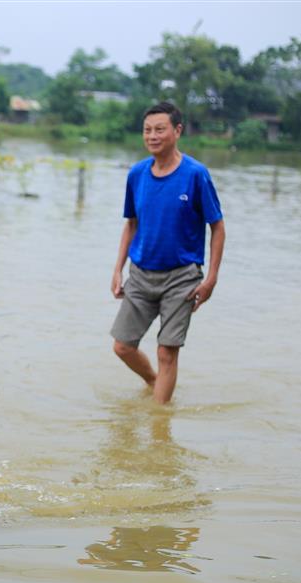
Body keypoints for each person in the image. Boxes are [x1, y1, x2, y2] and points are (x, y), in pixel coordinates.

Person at [110, 101, 226, 403]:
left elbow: (218, 227)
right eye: (147, 130)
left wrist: (211, 278)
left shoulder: (195, 174)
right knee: (122, 346)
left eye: (160, 129)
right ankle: (152, 381)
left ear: (177, 131)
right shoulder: (137, 174)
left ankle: (159, 427)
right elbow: (130, 224)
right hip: (141, 273)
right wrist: (116, 269)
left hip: (182, 277)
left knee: (166, 351)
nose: (152, 136)